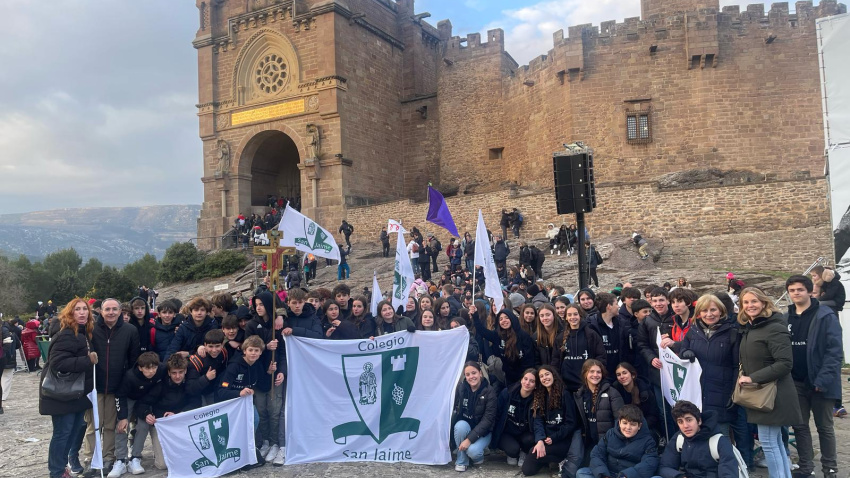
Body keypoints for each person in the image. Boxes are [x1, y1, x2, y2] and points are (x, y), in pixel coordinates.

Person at [738, 286, 801, 478]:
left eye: (754, 301)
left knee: (769, 442)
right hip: (762, 393)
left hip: (774, 394)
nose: (750, 305)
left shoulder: (773, 327)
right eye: (746, 302)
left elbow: (785, 363)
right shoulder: (752, 327)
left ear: (764, 302)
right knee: (775, 442)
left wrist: (752, 378)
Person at [785, 275, 842, 478]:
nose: (796, 293)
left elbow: (834, 351)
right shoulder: (786, 318)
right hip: (796, 382)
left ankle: (830, 469)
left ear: (809, 291)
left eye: (800, 289)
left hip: (820, 382)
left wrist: (823, 379)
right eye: (792, 290)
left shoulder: (825, 315)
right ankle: (806, 467)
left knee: (824, 427)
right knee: (800, 427)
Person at [40, 299, 97, 478]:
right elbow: (58, 363)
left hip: (75, 393)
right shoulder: (66, 333)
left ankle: (62, 468)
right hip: (63, 394)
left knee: (71, 433)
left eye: (85, 309)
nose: (82, 313)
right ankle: (56, 472)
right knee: (62, 434)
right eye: (77, 310)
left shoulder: (81, 332)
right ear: (69, 313)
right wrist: (87, 360)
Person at [84, 298, 140, 476]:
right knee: (93, 425)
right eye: (107, 309)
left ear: (120, 311)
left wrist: (127, 382)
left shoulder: (130, 330)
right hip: (95, 386)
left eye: (115, 309)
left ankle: (108, 458)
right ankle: (92, 458)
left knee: (110, 426)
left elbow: (133, 359)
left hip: (117, 386)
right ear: (101, 311)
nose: (111, 312)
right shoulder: (91, 329)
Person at [678, 295, 741, 440]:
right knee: (698, 434)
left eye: (713, 310)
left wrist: (733, 392)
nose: (709, 314)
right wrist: (685, 352)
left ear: (721, 311)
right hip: (697, 391)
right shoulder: (693, 331)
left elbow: (736, 366)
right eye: (704, 310)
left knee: (721, 435)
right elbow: (683, 350)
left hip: (721, 391)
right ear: (699, 313)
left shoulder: (732, 333)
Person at [133, 354, 195, 471]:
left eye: (180, 372)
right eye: (174, 373)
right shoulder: (160, 386)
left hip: (182, 423)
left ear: (185, 371)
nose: (177, 376)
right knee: (163, 464)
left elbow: (196, 403)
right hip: (162, 425)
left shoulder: (190, 384)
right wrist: (146, 414)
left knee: (187, 459)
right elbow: (141, 404)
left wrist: (179, 414)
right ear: (168, 372)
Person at [245, 291, 286, 465]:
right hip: (258, 375)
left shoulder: (279, 323)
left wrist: (282, 371)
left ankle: (276, 442)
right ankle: (266, 442)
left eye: (262, 304)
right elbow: (249, 349)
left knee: (274, 410)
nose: (259, 308)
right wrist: (265, 347)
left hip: (275, 375)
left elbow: (284, 353)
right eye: (256, 305)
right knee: (261, 410)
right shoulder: (252, 325)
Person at [657, 400, 740, 478]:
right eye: (680, 422)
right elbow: (664, 467)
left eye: (689, 420)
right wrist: (679, 476)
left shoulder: (719, 441)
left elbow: (729, 474)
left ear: (699, 421)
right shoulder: (679, 438)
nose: (685, 426)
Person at [522, 365, 578, 477]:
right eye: (541, 376)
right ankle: (550, 460)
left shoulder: (565, 394)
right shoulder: (540, 396)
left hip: (561, 440)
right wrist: (540, 440)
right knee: (528, 470)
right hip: (546, 439)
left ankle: (562, 459)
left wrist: (554, 437)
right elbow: (538, 421)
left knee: (532, 456)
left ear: (554, 375)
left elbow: (571, 423)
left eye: (547, 374)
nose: (544, 378)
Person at [578, 404, 659, 478]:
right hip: (609, 474)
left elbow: (649, 463)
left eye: (633, 424)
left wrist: (626, 476)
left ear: (639, 426)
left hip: (631, 476)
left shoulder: (648, 441)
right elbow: (597, 454)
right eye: (625, 423)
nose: (628, 428)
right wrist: (603, 474)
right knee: (582, 472)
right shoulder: (610, 434)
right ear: (619, 422)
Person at [573, 359, 624, 466]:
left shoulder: (612, 392)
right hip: (590, 443)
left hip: (608, 442)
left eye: (598, 372)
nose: (595, 375)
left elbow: (620, 420)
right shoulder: (580, 394)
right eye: (591, 371)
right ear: (585, 374)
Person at [471, 306, 535, 386]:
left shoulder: (523, 336)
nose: (504, 321)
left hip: (523, 378)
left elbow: (529, 360)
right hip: (507, 377)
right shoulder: (498, 335)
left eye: (506, 318)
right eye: (500, 319)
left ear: (512, 319)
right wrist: (475, 316)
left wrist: (524, 378)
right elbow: (482, 331)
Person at [452, 361, 497, 472]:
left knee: (473, 452)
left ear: (480, 373)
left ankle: (478, 453)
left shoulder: (490, 392)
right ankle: (462, 461)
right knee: (460, 426)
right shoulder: (462, 388)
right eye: (468, 374)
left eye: (474, 373)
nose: (471, 377)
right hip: (466, 427)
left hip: (484, 432)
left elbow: (487, 420)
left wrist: (468, 440)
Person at [552, 303, 606, 393]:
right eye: (569, 315)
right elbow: (555, 360)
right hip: (566, 385)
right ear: (566, 317)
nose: (573, 317)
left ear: (580, 315)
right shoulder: (560, 337)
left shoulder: (591, 334)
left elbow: (601, 356)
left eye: (575, 314)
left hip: (587, 383)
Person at [493, 369, 537, 467]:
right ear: (521, 380)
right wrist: (494, 434)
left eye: (532, 381)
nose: (527, 383)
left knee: (530, 440)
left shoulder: (536, 399)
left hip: (524, 433)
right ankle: (514, 453)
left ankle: (524, 452)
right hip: (507, 432)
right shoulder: (507, 393)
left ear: (535, 385)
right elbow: (497, 413)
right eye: (525, 379)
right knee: (513, 451)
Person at [587, 292, 633, 379]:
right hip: (601, 373)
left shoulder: (621, 323)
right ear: (609, 306)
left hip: (619, 373)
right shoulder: (591, 326)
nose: (618, 306)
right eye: (616, 304)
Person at [613, 362, 661, 440]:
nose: (621, 377)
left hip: (644, 427)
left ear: (633, 375)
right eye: (618, 375)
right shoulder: (615, 391)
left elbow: (653, 415)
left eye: (624, 373)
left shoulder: (645, 391)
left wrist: (638, 427)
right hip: (623, 429)